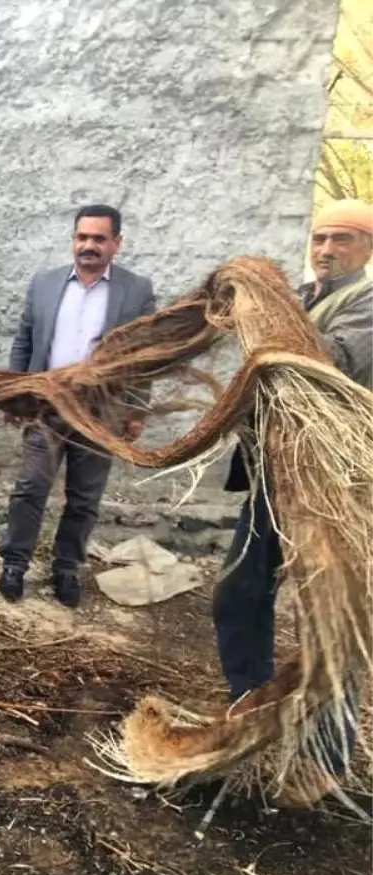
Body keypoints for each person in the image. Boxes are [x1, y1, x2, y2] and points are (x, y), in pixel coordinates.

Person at [213, 196, 373, 805]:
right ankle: (254, 712)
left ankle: (324, 759)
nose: (327, 250)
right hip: (275, 481)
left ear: (367, 249)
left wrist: (261, 308)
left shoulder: (365, 304)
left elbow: (326, 361)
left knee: (332, 617)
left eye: (343, 240)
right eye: (320, 239)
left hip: (337, 490)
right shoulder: (301, 299)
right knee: (238, 592)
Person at [0, 205, 156, 608]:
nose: (88, 246)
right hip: (47, 407)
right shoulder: (46, 283)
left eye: (99, 239)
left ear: (116, 243)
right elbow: (25, 340)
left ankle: (66, 568)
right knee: (30, 488)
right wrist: (15, 393)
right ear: (73, 239)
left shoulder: (136, 291)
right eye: (82, 237)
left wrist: (135, 410)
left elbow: (144, 356)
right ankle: (14, 563)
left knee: (84, 497)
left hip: (100, 412)